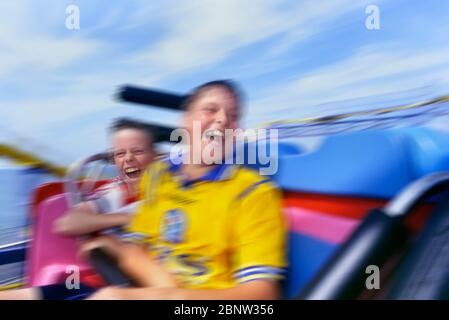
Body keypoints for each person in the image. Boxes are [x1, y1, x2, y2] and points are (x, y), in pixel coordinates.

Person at [0, 80, 286, 300]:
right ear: (185, 123)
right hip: (134, 286)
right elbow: (139, 250)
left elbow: (262, 297)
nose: (223, 119)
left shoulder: (252, 193)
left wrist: (170, 296)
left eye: (233, 116)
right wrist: (118, 251)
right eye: (210, 110)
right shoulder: (161, 178)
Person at [53, 118, 156, 237]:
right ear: (114, 159)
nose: (128, 158)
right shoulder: (112, 194)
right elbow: (68, 223)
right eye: (120, 153)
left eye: (138, 151)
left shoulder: (172, 184)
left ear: (155, 156)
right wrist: (128, 218)